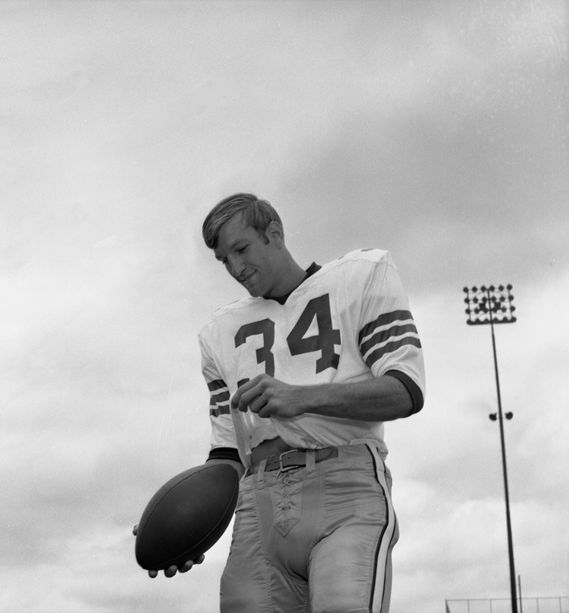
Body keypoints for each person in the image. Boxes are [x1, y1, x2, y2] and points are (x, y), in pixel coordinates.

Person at [149, 193, 425, 613]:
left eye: (242, 249)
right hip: (257, 501)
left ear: (275, 233)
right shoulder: (218, 333)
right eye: (225, 260)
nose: (236, 268)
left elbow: (405, 390)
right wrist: (188, 521)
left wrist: (301, 398)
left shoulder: (361, 275)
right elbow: (226, 453)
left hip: (345, 488)